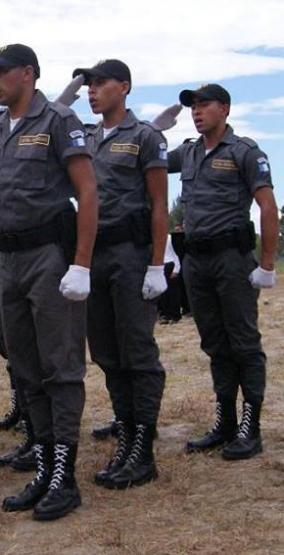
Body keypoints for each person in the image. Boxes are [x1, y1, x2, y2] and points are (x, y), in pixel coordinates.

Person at [0, 44, 98, 521]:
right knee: (26, 367)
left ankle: (64, 477)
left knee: (60, 366)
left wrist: (81, 264)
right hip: (7, 259)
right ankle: (46, 467)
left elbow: (87, 191)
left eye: (2, 73)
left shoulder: (57, 121)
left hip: (50, 255)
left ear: (28, 74)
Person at [66, 59, 168, 489]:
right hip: (94, 255)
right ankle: (125, 437)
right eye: (88, 85)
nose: (91, 91)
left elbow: (160, 204)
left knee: (137, 352)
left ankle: (142, 449)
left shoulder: (144, 136)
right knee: (107, 353)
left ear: (123, 87)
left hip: (130, 253)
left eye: (100, 83)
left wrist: (157, 264)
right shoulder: (84, 138)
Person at [167, 84, 277, 460]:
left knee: (243, 342)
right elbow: (149, 161)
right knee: (214, 342)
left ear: (225, 109)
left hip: (232, 259)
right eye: (193, 107)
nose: (196, 112)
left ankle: (251, 425)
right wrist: (148, 128)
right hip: (197, 262)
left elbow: (267, 207)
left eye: (204, 105)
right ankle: (226, 420)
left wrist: (266, 264)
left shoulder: (244, 152)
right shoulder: (189, 152)